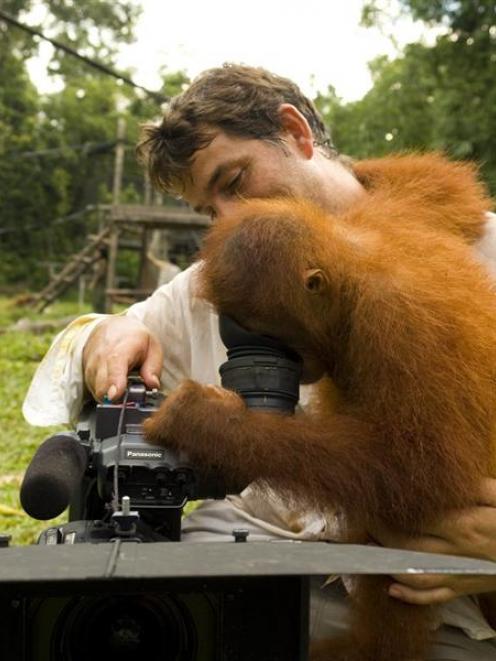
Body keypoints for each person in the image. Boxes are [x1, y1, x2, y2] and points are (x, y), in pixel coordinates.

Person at [23, 64, 496, 659]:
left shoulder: (466, 257)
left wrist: (240, 435)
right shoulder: (227, 275)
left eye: (236, 179)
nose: (227, 216)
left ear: (296, 132)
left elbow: (405, 472)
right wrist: (102, 335)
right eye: (207, 208)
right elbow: (77, 353)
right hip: (260, 563)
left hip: (443, 605)